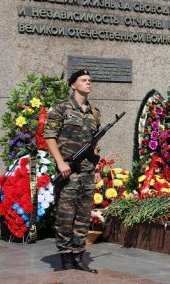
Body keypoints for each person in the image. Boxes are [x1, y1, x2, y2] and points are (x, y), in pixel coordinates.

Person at [44, 69, 101, 273]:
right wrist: (60, 162)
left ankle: (78, 256)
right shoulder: (61, 109)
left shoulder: (94, 112)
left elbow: (94, 143)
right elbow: (49, 136)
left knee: (83, 216)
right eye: (83, 80)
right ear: (73, 85)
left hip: (87, 172)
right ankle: (65, 258)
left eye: (89, 80)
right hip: (68, 171)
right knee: (65, 216)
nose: (88, 83)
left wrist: (96, 166)